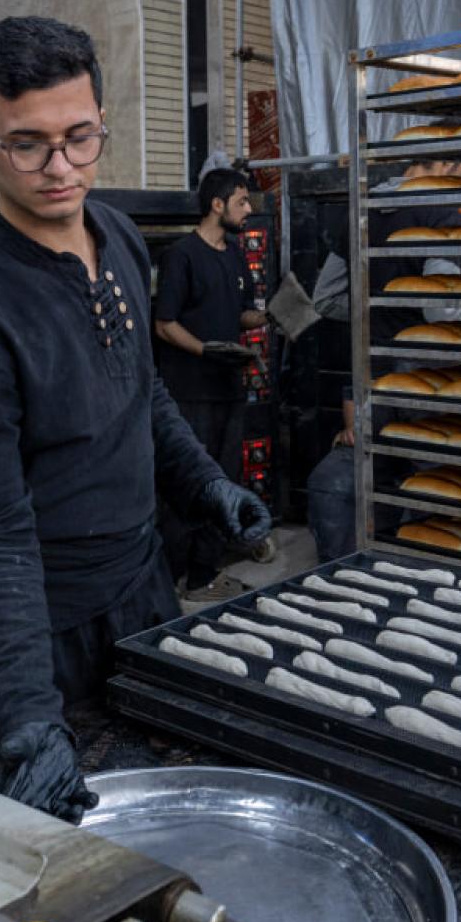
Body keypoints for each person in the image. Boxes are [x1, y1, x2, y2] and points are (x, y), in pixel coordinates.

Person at [0, 15, 271, 820]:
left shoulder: (119, 237)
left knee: (164, 820)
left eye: (80, 138)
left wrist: (205, 485)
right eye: (27, 145)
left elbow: (142, 393)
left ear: (102, 120)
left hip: (140, 595)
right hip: (31, 628)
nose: (61, 168)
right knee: (24, 847)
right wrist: (28, 721)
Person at [307, 154, 461, 561]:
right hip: (425, 378)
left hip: (372, 373)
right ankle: (422, 565)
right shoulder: (438, 210)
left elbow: (325, 298)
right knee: (434, 483)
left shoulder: (361, 211)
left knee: (368, 472)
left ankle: (363, 564)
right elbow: (440, 307)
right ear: (445, 165)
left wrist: (375, 311)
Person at [153, 168, 269, 600]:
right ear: (217, 205)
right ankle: (167, 583)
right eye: (241, 201)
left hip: (228, 388)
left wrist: (273, 314)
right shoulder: (181, 256)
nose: (248, 209)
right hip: (189, 392)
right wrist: (206, 351)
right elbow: (165, 325)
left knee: (225, 479)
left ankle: (203, 576)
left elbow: (241, 313)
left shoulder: (235, 254)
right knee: (185, 485)